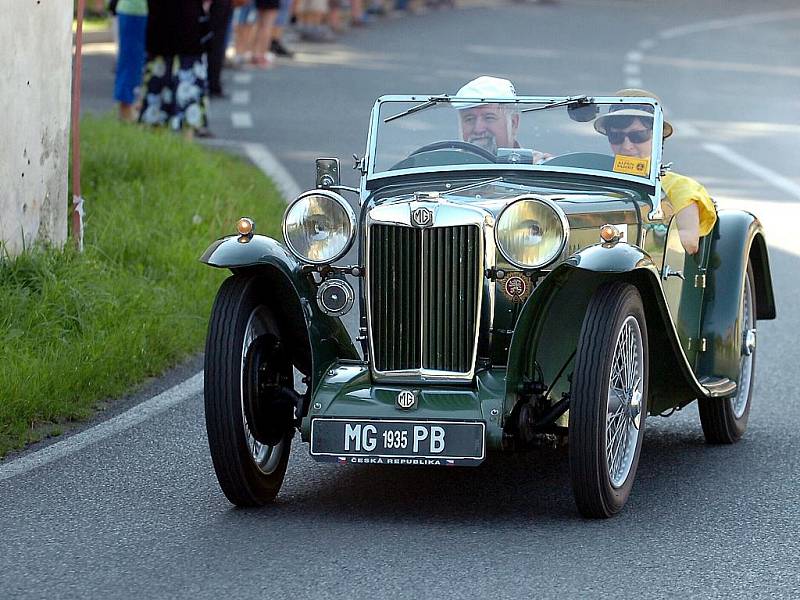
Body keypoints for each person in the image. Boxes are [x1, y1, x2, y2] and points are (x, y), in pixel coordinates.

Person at [594, 89, 717, 254]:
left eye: (638, 136)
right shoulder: (598, 179)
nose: (626, 146)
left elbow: (689, 242)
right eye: (616, 137)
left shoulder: (680, 187)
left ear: (658, 137)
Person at [138, 0, 211, 137]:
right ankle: (186, 137)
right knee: (188, 84)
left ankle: (155, 134)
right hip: (186, 26)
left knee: (159, 83)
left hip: (162, 26)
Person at [454, 76, 520, 153]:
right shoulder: (448, 163)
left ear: (513, 123)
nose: (478, 129)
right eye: (469, 119)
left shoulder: (533, 164)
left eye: (489, 118)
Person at [112, 0, 148, 121]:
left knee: (135, 61)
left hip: (136, 11)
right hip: (134, 11)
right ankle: (126, 109)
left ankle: (131, 105)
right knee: (131, 61)